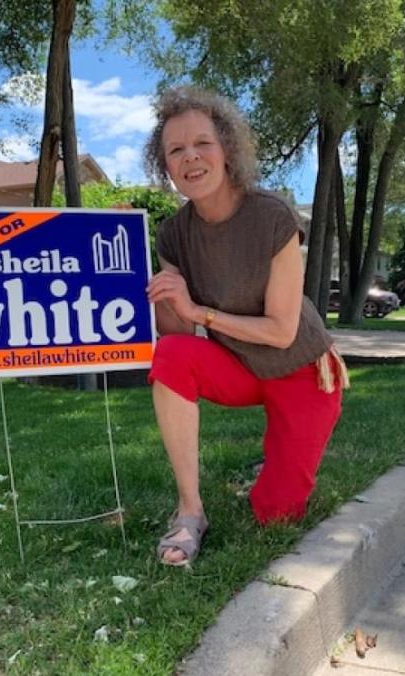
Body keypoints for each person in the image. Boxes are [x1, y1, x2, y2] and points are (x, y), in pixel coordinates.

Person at [143, 86, 349, 567]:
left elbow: (280, 331)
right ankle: (190, 511)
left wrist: (200, 314)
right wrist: (145, 279)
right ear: (165, 165)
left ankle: (280, 460)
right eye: (176, 150)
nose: (190, 157)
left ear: (227, 149)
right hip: (239, 366)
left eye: (202, 143)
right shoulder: (174, 233)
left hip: (301, 368)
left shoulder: (272, 215)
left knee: (275, 513)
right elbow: (175, 338)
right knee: (170, 358)